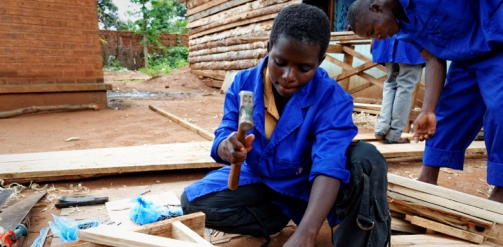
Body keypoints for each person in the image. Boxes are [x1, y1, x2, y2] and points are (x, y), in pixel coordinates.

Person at [181, 4, 391, 247]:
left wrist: (307, 233)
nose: (289, 76)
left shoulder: (332, 99)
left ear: (320, 62)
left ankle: (326, 225)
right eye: (279, 62)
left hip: (306, 184)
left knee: (365, 159)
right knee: (192, 203)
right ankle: (277, 216)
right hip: (260, 179)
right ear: (269, 49)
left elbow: (329, 163)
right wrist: (226, 147)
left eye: (304, 68)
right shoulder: (244, 84)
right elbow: (226, 129)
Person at [347, 0, 503, 203]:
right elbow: (432, 59)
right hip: (465, 56)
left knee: (499, 109)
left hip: (497, 43)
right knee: (449, 111)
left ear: (376, 8)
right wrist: (428, 110)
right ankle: (427, 178)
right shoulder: (404, 28)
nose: (378, 38)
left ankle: (500, 190)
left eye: (372, 31)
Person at [371, 36, 425, 144]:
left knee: (390, 82)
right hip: (410, 39)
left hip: (386, 37)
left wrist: (373, 38)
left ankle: (381, 127)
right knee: (406, 84)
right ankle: (393, 134)